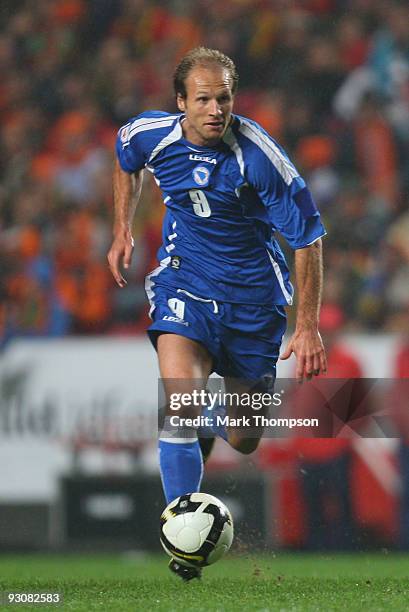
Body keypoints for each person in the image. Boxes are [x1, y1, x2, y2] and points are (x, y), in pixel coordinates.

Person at [108, 47, 327, 579]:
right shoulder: (148, 134)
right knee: (177, 406)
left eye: (223, 98)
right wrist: (124, 229)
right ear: (180, 102)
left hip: (254, 303)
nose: (215, 109)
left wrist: (307, 324)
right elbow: (126, 163)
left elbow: (308, 237)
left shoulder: (259, 157)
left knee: (246, 437)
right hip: (186, 280)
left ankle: (210, 414)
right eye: (203, 99)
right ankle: (183, 545)